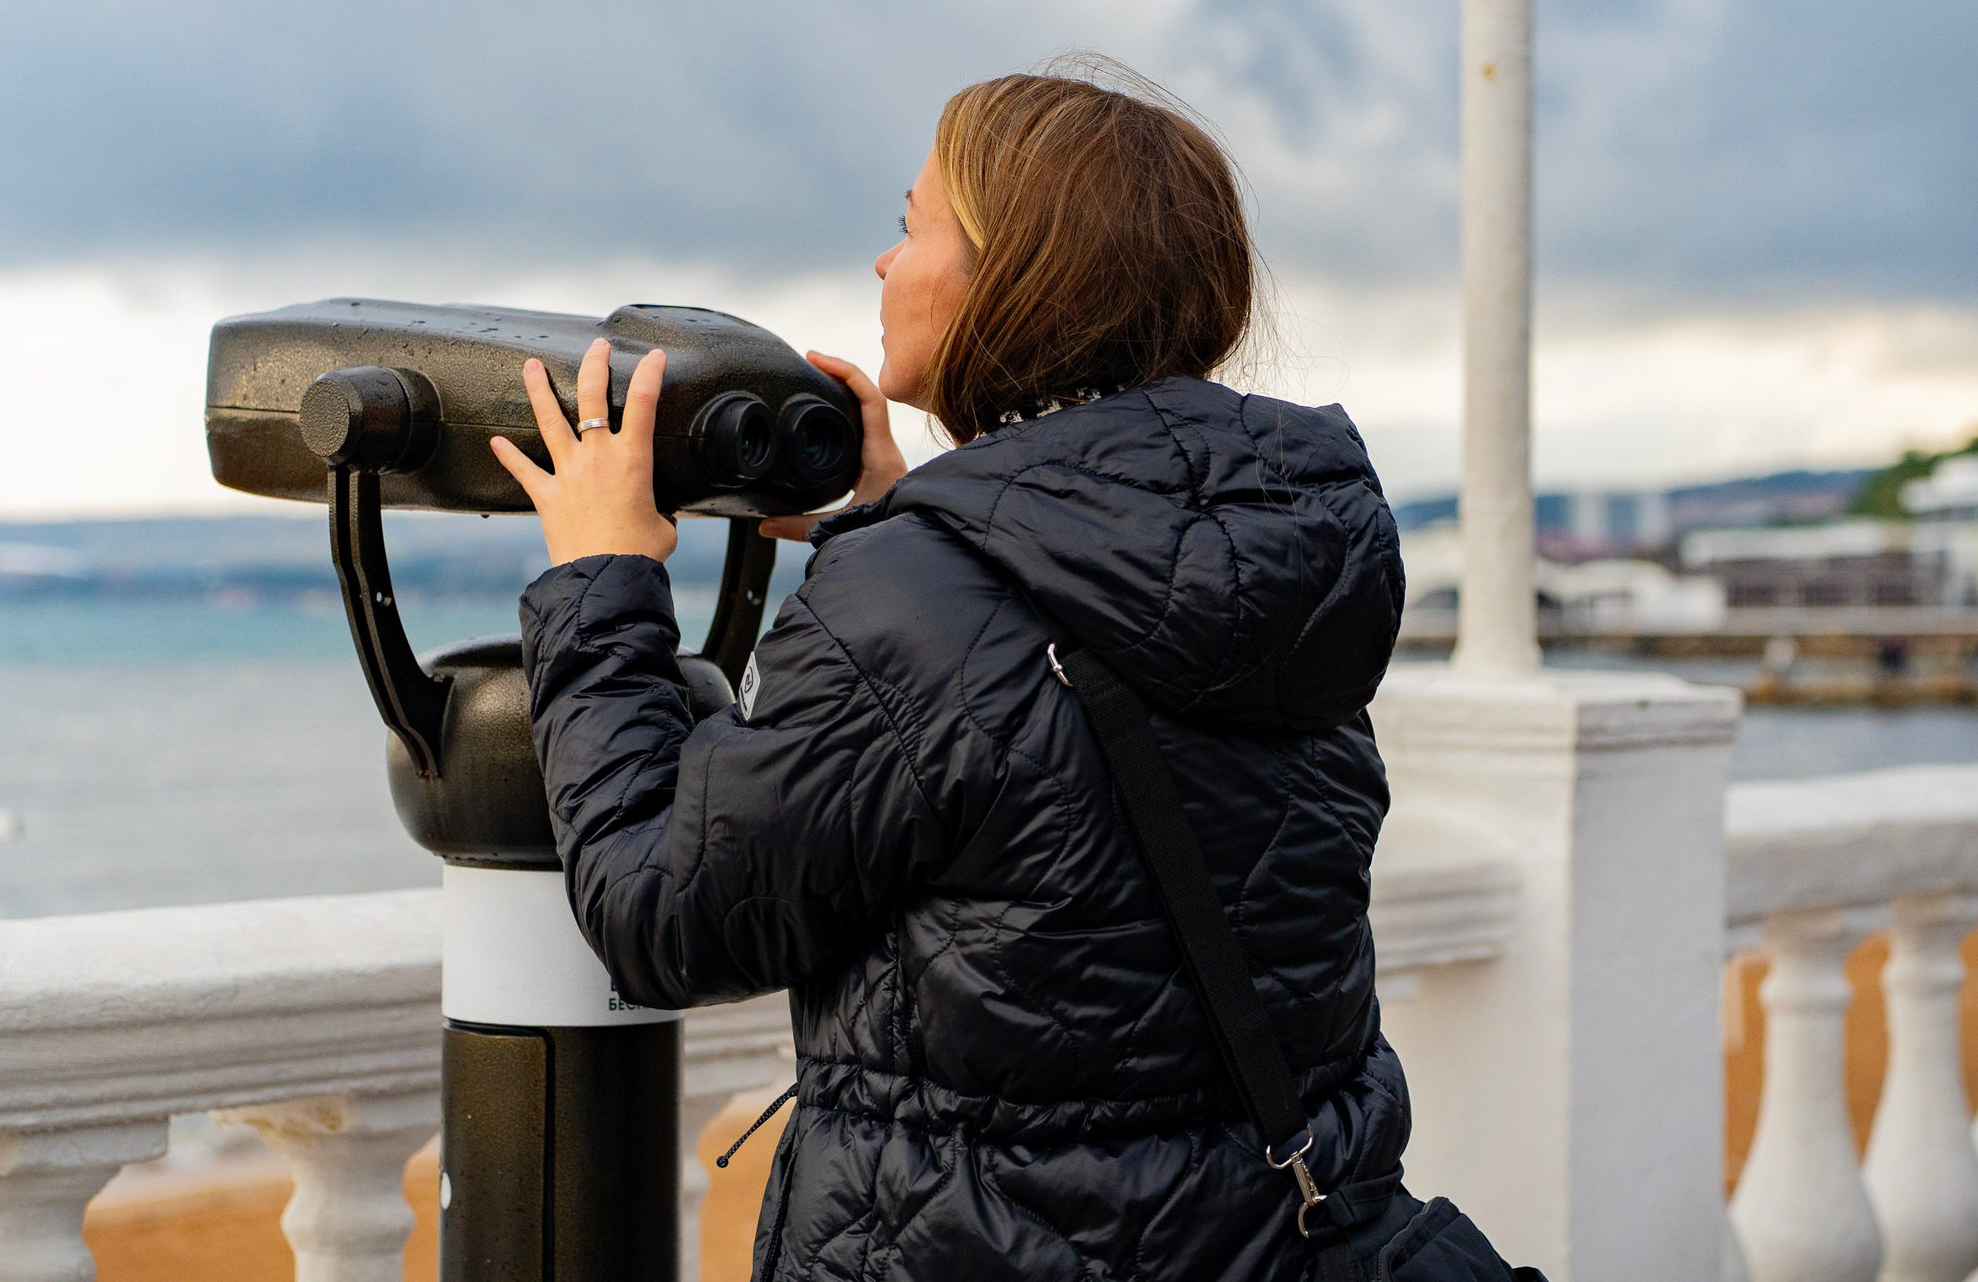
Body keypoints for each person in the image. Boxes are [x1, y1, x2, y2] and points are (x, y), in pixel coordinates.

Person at [491, 64, 1410, 1281]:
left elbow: (663, 918)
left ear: (1012, 276)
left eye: (913, 224)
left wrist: (602, 582)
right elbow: (1078, 800)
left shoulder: (917, 607)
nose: (885, 263)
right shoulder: (1292, 548)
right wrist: (897, 518)